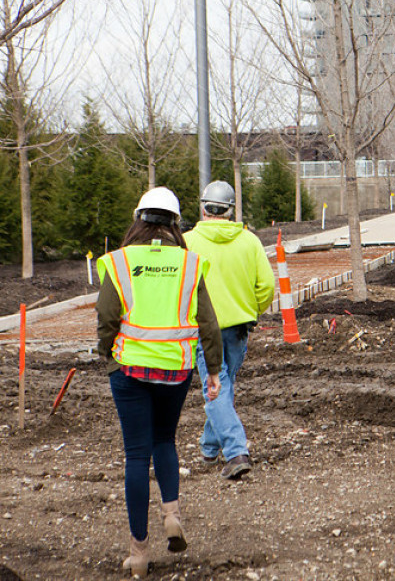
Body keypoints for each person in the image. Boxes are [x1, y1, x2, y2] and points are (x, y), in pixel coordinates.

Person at [97, 187, 222, 577]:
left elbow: (106, 316)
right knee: (164, 440)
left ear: (139, 219)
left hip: (130, 370)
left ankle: (138, 554)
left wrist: (107, 354)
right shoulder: (189, 263)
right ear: (175, 223)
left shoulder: (119, 262)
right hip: (176, 370)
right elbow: (208, 322)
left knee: (136, 456)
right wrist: (213, 370)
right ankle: (172, 514)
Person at [184, 180, 275, 480]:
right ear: (231, 209)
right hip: (238, 328)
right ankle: (210, 447)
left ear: (203, 207)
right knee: (224, 385)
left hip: (202, 329)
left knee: (216, 387)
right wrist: (253, 309)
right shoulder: (249, 242)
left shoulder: (187, 243)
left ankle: (235, 451)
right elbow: (267, 286)